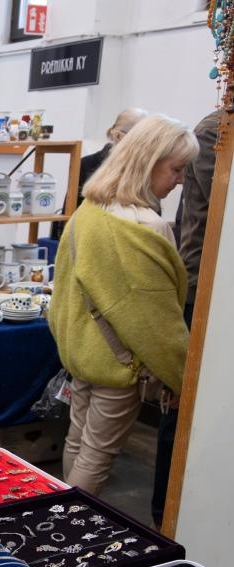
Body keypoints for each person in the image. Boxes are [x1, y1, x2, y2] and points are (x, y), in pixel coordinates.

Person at [48, 114, 197, 497]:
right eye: (177, 169)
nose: (180, 180)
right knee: (96, 456)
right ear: (149, 162)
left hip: (83, 354)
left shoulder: (89, 212)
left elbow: (63, 286)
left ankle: (59, 518)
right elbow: (156, 323)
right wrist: (182, 376)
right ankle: (69, 533)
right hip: (121, 364)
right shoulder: (147, 227)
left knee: (77, 442)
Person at [152, 108, 220, 526]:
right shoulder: (217, 130)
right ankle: (167, 517)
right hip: (203, 288)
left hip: (208, 284)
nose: (177, 178)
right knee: (183, 405)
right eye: (174, 170)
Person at [51, 107, 148, 239]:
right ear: (118, 136)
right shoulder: (87, 165)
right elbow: (70, 215)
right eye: (141, 138)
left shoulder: (146, 169)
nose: (146, 145)